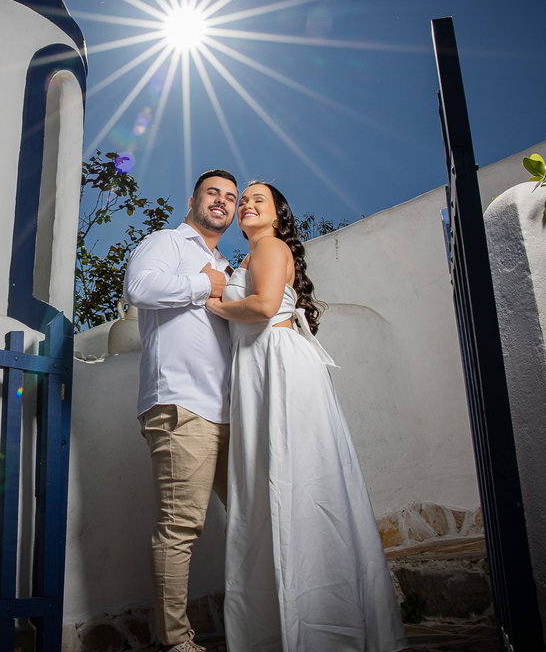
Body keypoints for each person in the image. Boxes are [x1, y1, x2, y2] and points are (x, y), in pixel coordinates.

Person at [205, 181, 408, 652]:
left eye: (258, 199)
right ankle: (288, 625)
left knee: (294, 479)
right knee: (274, 483)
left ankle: (317, 626)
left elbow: (264, 306)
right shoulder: (250, 256)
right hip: (259, 367)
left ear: (278, 215)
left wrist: (215, 303)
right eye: (243, 200)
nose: (247, 205)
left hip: (277, 365)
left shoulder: (269, 246)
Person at [123, 169, 239, 652]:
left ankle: (264, 623)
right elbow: (139, 287)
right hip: (180, 404)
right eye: (213, 192)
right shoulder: (167, 242)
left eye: (230, 197)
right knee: (181, 528)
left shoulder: (227, 265)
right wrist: (202, 284)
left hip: (230, 412)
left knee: (254, 517)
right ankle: (176, 644)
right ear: (192, 201)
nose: (222, 201)